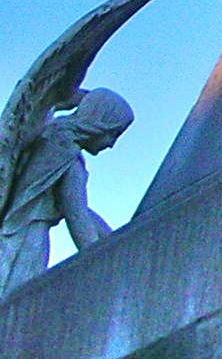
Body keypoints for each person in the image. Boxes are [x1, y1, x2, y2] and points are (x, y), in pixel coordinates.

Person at [0, 89, 131, 294]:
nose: (111, 144)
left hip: (10, 233)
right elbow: (77, 215)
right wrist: (105, 264)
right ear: (99, 123)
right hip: (26, 242)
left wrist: (112, 240)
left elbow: (79, 211)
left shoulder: (47, 134)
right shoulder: (67, 154)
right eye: (113, 133)